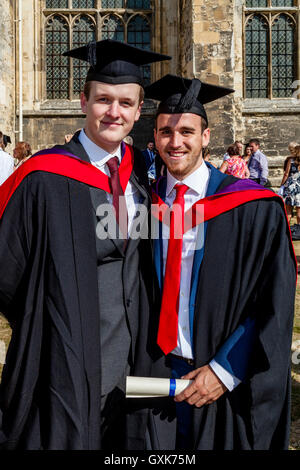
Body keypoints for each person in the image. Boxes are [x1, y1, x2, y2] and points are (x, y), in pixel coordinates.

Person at [0, 39, 170, 450]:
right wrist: (52, 320)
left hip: (137, 368)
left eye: (125, 103)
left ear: (138, 109)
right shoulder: (44, 179)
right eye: (104, 100)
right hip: (66, 364)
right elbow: (6, 273)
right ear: (84, 101)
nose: (114, 112)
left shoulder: (143, 184)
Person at [129, 74, 296, 450]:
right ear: (154, 138)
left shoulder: (252, 208)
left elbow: (275, 300)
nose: (176, 142)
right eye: (166, 132)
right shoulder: (143, 204)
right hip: (156, 374)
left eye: (187, 131)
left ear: (205, 136)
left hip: (221, 379)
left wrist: (225, 370)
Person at [281, 145, 300, 226]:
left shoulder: (291, 160)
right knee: (299, 212)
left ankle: (286, 230)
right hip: (299, 188)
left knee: (288, 211)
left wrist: (282, 185)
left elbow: (286, 174)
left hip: (290, 187)